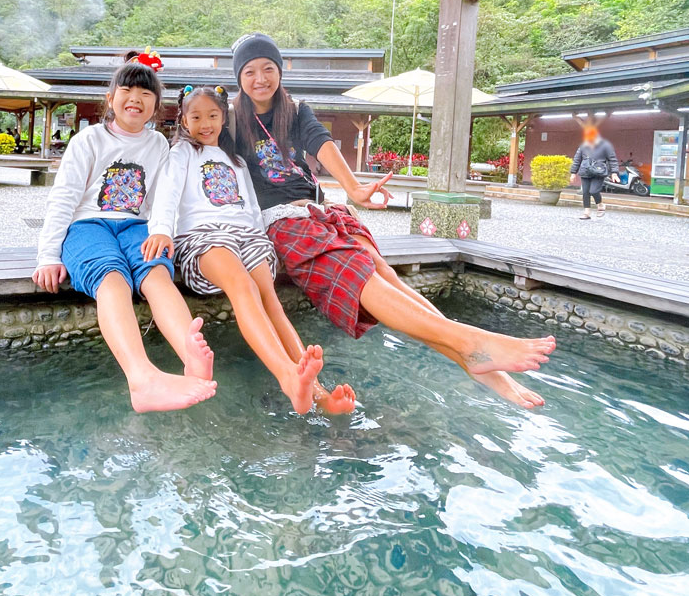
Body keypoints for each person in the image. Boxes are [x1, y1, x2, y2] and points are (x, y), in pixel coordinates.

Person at [230, 34, 555, 409]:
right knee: (358, 274)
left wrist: (352, 188)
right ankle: (472, 344)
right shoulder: (233, 120)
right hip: (283, 221)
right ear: (239, 76)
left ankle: (479, 361)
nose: (260, 78)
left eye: (268, 68)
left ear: (280, 71)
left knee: (384, 270)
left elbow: (320, 143)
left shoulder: (296, 109)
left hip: (320, 209)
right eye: (250, 71)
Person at [145, 84, 356, 416]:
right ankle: (288, 378)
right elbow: (168, 194)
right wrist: (160, 230)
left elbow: (252, 208)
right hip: (205, 237)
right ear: (184, 122)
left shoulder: (237, 161)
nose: (205, 123)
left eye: (213, 115)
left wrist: (262, 238)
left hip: (247, 237)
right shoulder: (182, 153)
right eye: (196, 117)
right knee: (242, 287)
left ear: (223, 118)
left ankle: (317, 391)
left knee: (269, 298)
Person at [32, 55, 216, 413]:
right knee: (113, 278)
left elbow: (164, 196)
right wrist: (48, 255)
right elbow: (64, 198)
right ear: (111, 98)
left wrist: (163, 231)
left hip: (137, 226)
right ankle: (142, 378)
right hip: (88, 225)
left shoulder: (158, 145)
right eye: (127, 89)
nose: (135, 97)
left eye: (146, 92)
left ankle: (190, 358)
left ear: (156, 105)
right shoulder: (89, 140)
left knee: (157, 274)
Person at [570, 123, 618, 219]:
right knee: (585, 192)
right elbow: (577, 160)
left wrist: (614, 173)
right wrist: (573, 173)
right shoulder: (583, 146)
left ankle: (600, 204)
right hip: (585, 171)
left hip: (599, 172)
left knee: (594, 191)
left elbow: (612, 159)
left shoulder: (605, 146)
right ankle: (586, 212)